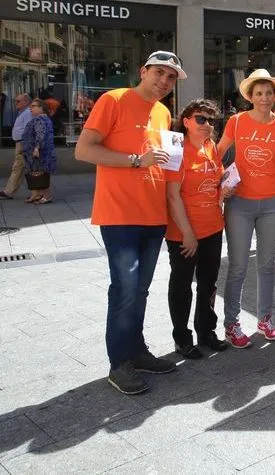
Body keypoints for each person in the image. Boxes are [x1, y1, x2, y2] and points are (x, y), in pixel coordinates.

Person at [74, 50, 186, 395]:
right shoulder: (114, 100)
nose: (164, 81)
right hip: (120, 214)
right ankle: (119, 363)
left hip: (153, 215)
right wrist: (137, 160)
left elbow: (163, 161)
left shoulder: (163, 111)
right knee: (125, 289)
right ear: (143, 71)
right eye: (159, 73)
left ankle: (136, 352)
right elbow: (84, 150)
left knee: (140, 289)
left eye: (171, 77)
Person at [216, 69, 275, 348]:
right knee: (237, 265)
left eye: (269, 93)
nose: (264, 98)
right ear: (250, 96)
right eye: (259, 93)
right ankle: (231, 324)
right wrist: (219, 182)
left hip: (272, 203)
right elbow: (217, 153)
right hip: (239, 204)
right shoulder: (237, 122)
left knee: (266, 265)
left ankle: (265, 320)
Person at [164, 99, 230, 359]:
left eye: (211, 120)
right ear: (186, 121)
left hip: (213, 226)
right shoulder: (175, 147)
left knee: (208, 284)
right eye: (201, 119)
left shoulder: (210, 145)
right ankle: (182, 339)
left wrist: (225, 186)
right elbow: (172, 195)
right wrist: (188, 234)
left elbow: (215, 179)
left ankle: (206, 332)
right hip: (183, 232)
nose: (207, 124)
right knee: (182, 285)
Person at [22, 99, 56, 204]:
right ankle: (39, 195)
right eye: (30, 106)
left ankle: (46, 196)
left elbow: (40, 134)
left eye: (33, 106)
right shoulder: (45, 119)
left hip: (39, 153)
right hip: (42, 152)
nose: (30, 108)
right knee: (39, 174)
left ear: (41, 108)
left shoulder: (39, 119)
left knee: (41, 174)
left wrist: (36, 148)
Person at [0, 94, 32, 200]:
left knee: (19, 167)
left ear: (26, 102)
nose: (16, 103)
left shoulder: (28, 113)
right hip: (20, 142)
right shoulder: (22, 112)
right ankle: (9, 191)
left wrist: (25, 144)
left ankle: (9, 191)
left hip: (23, 143)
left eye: (18, 101)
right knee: (19, 167)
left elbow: (28, 129)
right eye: (15, 101)